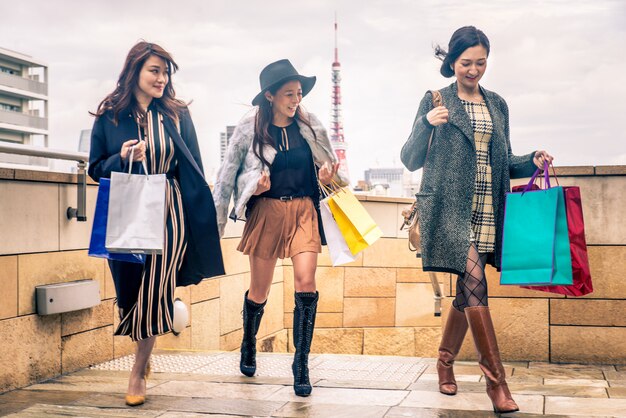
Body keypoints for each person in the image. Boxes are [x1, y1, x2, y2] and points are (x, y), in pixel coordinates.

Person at [401, 26, 553, 413]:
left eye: (481, 62)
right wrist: (426, 124)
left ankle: (444, 362)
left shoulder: (497, 104)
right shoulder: (436, 100)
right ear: (452, 62)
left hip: (489, 208)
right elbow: (409, 158)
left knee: (465, 293)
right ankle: (496, 384)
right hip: (449, 209)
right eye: (466, 62)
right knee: (474, 282)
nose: (473, 70)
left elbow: (502, 159)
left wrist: (531, 159)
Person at [88, 41, 225, 406]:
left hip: (170, 208)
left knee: (154, 289)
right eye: (154, 71)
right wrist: (122, 156)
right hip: (127, 208)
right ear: (134, 71)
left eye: (166, 72)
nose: (162, 79)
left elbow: (192, 166)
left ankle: (138, 370)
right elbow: (94, 169)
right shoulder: (110, 116)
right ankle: (142, 355)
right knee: (130, 292)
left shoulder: (177, 114)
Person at [213, 59, 347, 397]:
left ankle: (300, 364)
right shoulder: (250, 129)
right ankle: (248, 342)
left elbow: (330, 167)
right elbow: (226, 178)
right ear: (270, 96)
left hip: (304, 209)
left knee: (306, 283)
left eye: (299, 93)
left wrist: (326, 177)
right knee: (259, 291)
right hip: (266, 212)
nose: (295, 100)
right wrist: (252, 189)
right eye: (288, 94)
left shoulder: (310, 124)